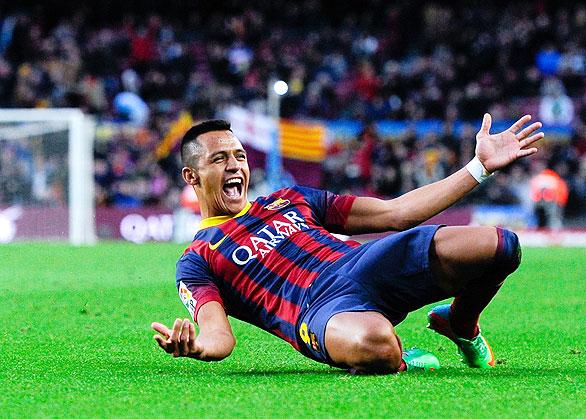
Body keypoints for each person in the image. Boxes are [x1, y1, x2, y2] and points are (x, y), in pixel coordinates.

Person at [151, 114, 543, 374]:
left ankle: (459, 323)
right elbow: (220, 337)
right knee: (378, 348)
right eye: (220, 159)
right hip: (320, 311)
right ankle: (397, 352)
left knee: (501, 246)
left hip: (366, 264)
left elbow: (396, 214)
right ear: (191, 176)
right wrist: (197, 346)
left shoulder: (289, 198)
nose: (235, 165)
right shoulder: (197, 260)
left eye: (239, 155)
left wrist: (478, 168)